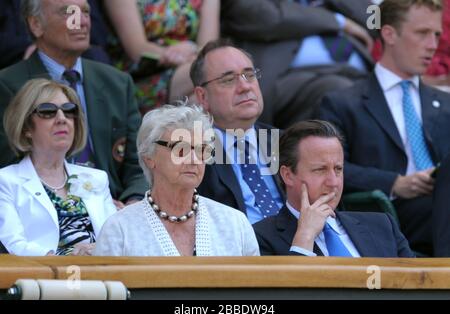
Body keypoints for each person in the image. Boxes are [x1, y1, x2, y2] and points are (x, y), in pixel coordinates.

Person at [318, 0, 450, 256]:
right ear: (389, 34)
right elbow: (330, 168)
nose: (433, 45)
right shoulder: (342, 103)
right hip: (390, 216)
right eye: (422, 33)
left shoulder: (445, 103)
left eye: (436, 35)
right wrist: (395, 183)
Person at [0, 0, 147, 207]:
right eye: (68, 13)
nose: (82, 21)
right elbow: (10, 169)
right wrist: (86, 206)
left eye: (85, 12)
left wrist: (133, 203)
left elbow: (139, 162)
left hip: (119, 212)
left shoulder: (117, 83)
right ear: (36, 25)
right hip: (46, 215)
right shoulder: (8, 86)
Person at [94, 103, 260, 256]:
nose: (194, 159)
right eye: (181, 149)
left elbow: (256, 286)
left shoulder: (235, 224)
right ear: (149, 157)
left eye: (202, 149)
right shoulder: (119, 229)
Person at [253, 120, 415, 257]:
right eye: (320, 170)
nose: (333, 182)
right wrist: (305, 237)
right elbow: (286, 294)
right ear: (288, 175)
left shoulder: (383, 226)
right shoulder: (260, 237)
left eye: (338, 169)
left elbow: (418, 287)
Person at [0, 79, 116, 256]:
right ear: (26, 128)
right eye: (48, 112)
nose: (62, 119)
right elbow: (14, 245)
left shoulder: (97, 178)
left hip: (102, 274)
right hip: (43, 279)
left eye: (69, 111)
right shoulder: (5, 181)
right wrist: (67, 258)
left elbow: (115, 239)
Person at [220, 0, 375, 128]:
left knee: (382, 95)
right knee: (340, 93)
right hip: (291, 78)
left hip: (359, 74)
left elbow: (377, 21)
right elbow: (266, 17)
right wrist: (338, 21)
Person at [190, 39, 285, 224]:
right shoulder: (193, 153)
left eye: (249, 75)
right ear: (203, 96)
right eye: (228, 80)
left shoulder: (287, 142)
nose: (245, 87)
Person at [104, 0, 220, 114]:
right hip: (144, 74)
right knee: (213, 69)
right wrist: (173, 55)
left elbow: (208, 46)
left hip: (192, 62)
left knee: (201, 102)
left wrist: (192, 49)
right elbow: (136, 48)